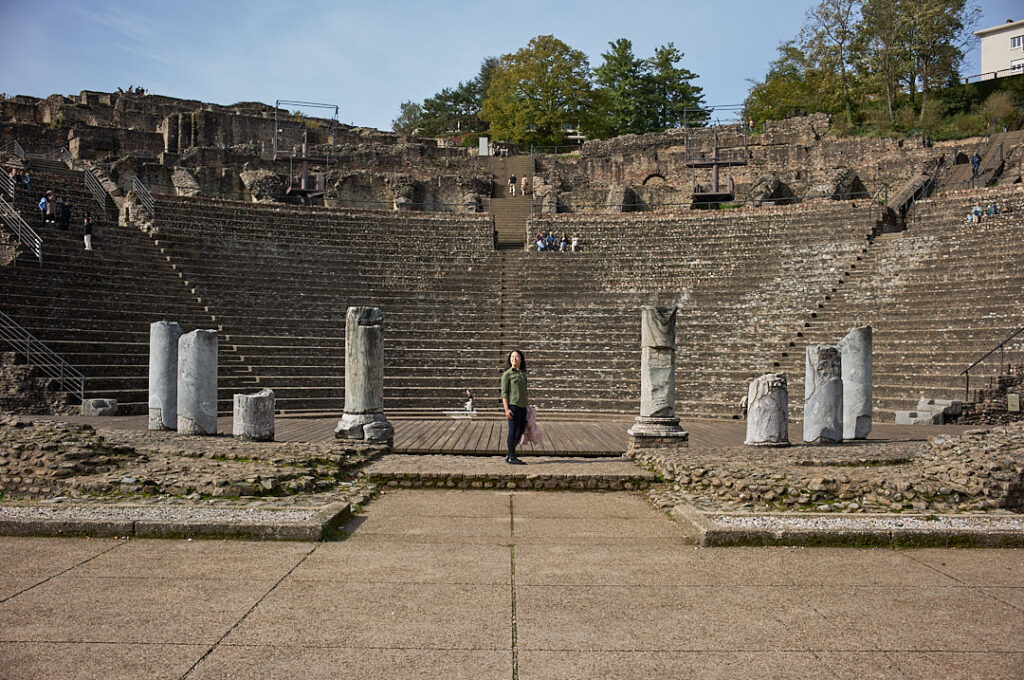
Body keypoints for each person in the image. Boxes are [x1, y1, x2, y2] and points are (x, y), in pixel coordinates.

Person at [500, 349, 529, 465]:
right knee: (512, 430)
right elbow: (504, 393)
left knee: (521, 429)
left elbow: (525, 391)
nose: (514, 359)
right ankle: (512, 456)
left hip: (523, 406)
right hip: (513, 406)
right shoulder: (507, 374)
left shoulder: (523, 374)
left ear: (521, 359)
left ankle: (509, 453)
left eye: (517, 357)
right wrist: (506, 409)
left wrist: (528, 405)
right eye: (512, 357)